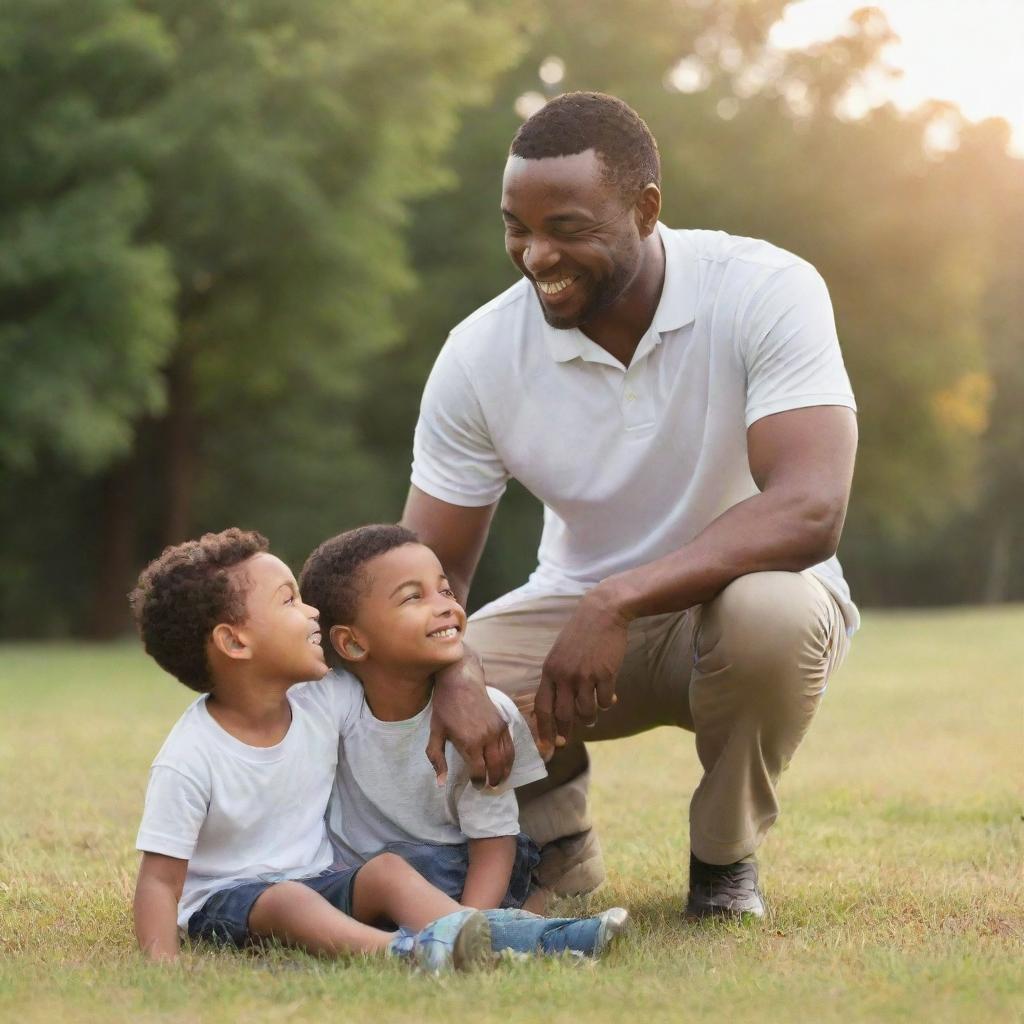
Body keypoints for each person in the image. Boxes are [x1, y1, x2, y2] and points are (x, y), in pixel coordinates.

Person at [402, 91, 859, 919]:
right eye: (516, 225)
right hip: (572, 630)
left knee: (771, 615)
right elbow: (421, 573)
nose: (537, 254)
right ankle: (558, 842)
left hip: (734, 613)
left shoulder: (765, 288)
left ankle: (723, 863)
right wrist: (455, 671)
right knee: (407, 681)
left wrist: (620, 598)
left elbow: (809, 509)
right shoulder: (479, 354)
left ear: (646, 209)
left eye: (567, 227)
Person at [129, 527, 493, 971]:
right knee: (289, 901)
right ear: (235, 641)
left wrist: (461, 676)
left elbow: (400, 660)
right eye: (289, 600)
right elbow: (160, 883)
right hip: (230, 903)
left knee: (389, 872)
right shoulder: (189, 757)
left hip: (322, 881)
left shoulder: (324, 700)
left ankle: (484, 938)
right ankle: (402, 953)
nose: (312, 611)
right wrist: (163, 965)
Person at [298, 523, 631, 954]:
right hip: (361, 881)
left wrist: (474, 920)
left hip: (463, 872)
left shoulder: (485, 719)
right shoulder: (330, 705)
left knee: (437, 869)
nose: (444, 607)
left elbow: (493, 839)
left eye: (446, 591)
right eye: (413, 597)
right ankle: (521, 928)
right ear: (353, 643)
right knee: (355, 879)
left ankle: (493, 931)